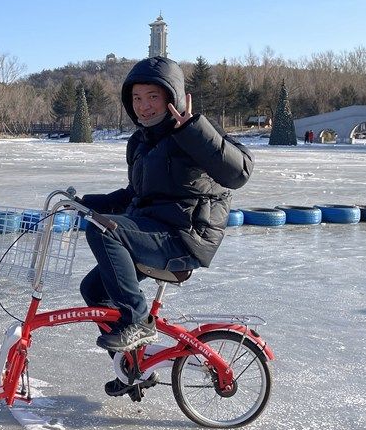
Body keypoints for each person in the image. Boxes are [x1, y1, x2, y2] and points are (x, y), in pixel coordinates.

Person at [77, 57, 253, 394]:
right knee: (95, 291)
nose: (143, 107)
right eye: (137, 99)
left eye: (153, 97)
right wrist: (91, 202)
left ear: (172, 97)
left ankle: (139, 321)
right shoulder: (141, 142)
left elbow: (239, 172)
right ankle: (134, 367)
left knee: (103, 230)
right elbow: (136, 194)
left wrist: (192, 128)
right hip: (153, 230)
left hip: (185, 237)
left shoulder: (194, 132)